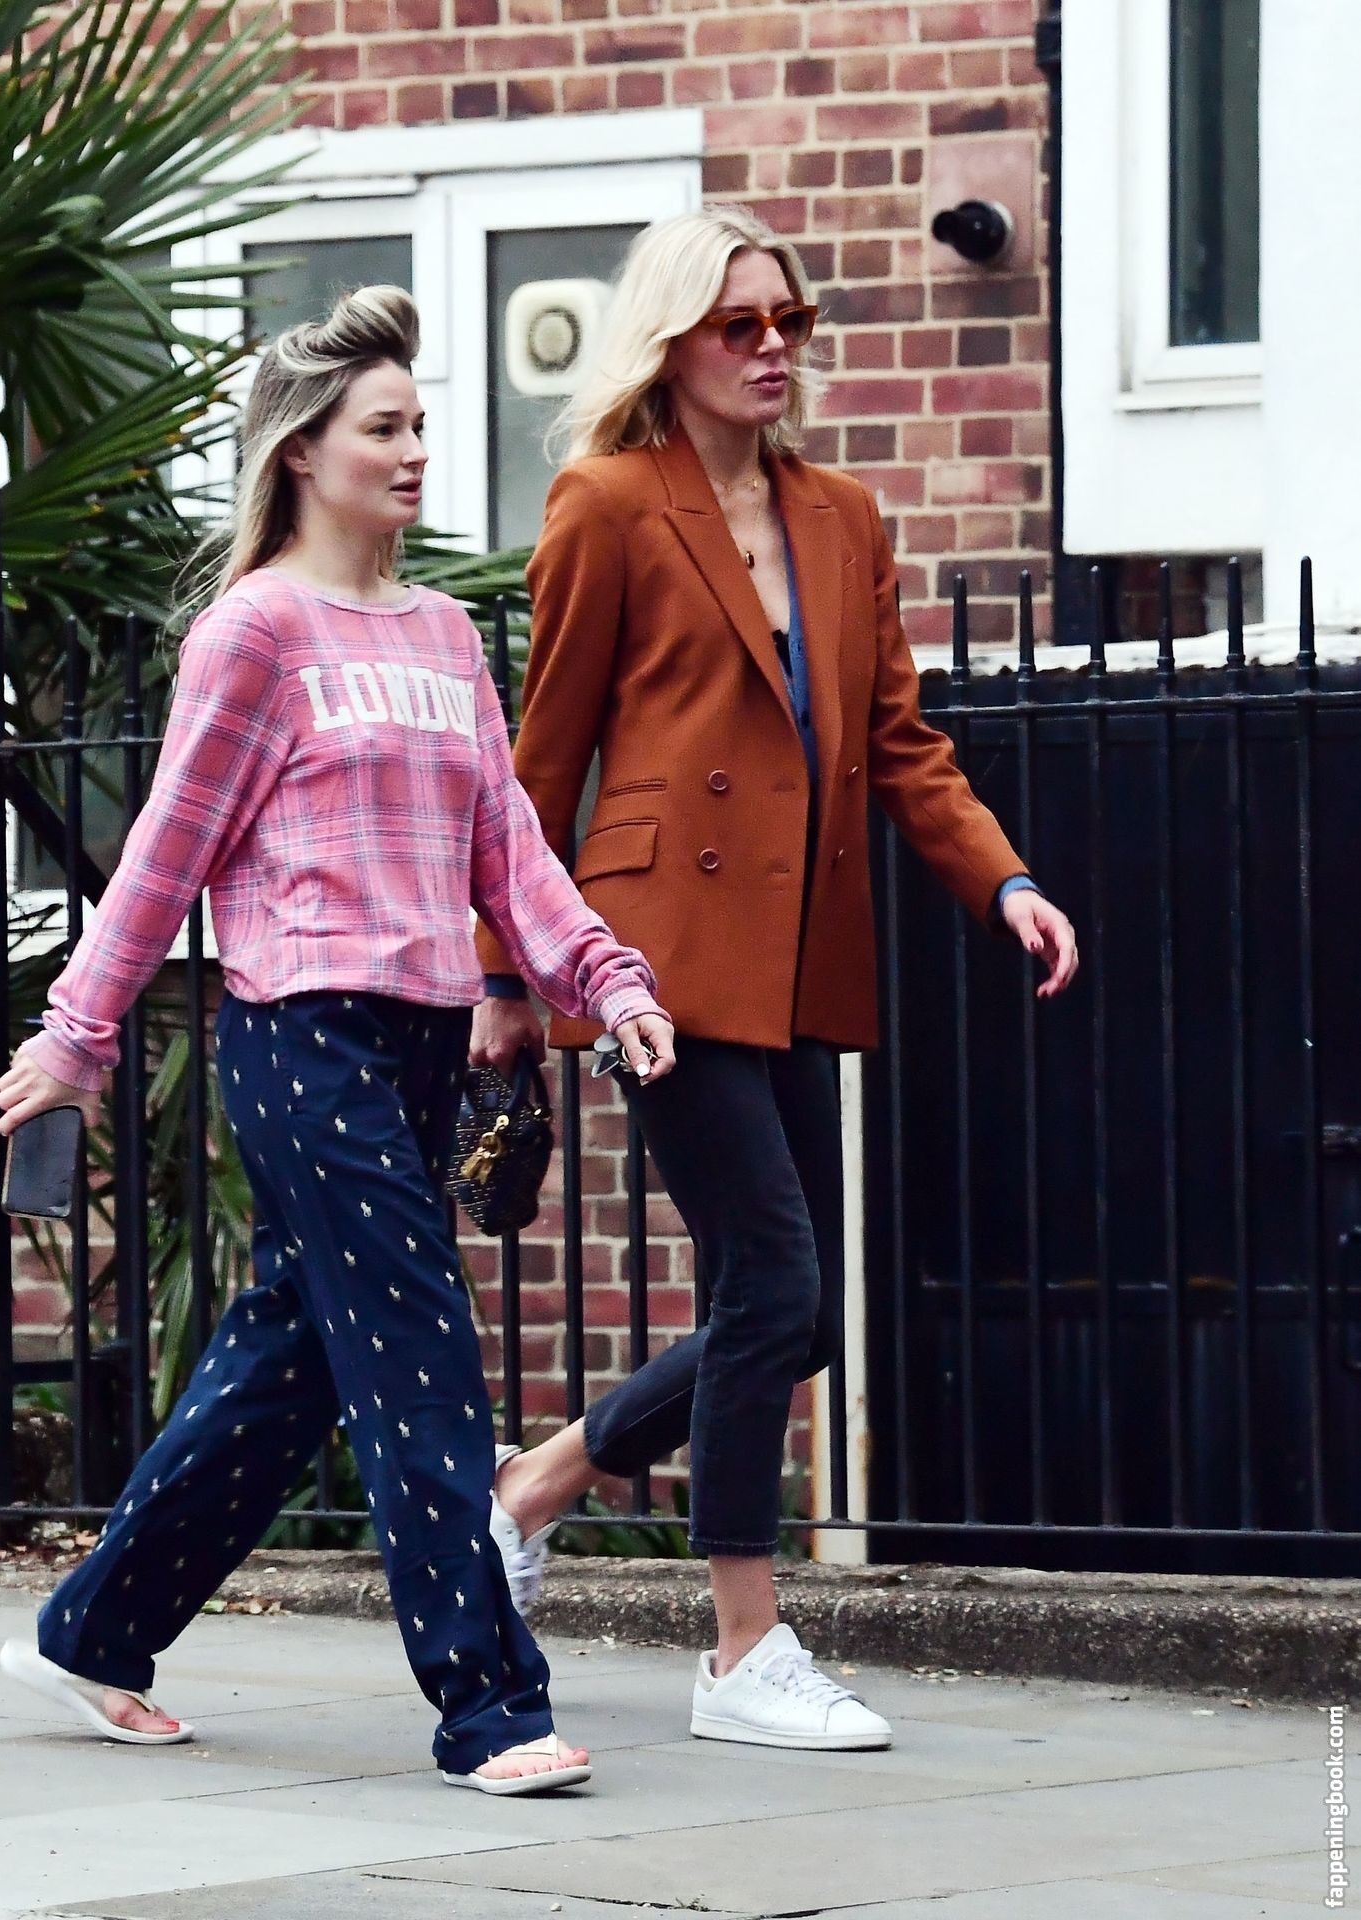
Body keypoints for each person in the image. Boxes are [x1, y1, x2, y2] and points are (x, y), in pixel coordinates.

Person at [0, 285, 676, 1795]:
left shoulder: (443, 633)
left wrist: (607, 979)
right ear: (302, 451)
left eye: (421, 423)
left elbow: (508, 850)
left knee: (291, 1361)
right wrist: (75, 1038)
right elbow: (166, 854)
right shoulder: (255, 632)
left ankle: (92, 1633)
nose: (416, 449)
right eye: (385, 427)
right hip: (300, 1036)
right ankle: (488, 1707)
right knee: (420, 1358)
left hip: (425, 1042)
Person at [472, 207, 1078, 1753]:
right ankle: (744, 1646)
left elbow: (897, 744)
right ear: (672, 340)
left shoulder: (842, 516)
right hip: (656, 953)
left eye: (788, 322)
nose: (770, 348)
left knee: (792, 1315)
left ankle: (536, 1484)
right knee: (774, 1279)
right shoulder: (607, 503)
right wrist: (504, 971)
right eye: (738, 324)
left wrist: (1001, 879)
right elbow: (540, 759)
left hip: (798, 945)